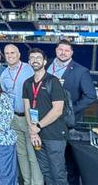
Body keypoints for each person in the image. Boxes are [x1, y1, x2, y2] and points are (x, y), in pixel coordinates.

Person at [48, 39, 96, 185]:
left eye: (66, 50)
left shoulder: (81, 71)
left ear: (72, 53)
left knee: (69, 164)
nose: (63, 53)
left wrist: (70, 111)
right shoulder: (47, 66)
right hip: (46, 122)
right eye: (60, 49)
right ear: (56, 50)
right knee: (48, 161)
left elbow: (90, 96)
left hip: (67, 124)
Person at [23, 48, 68, 185]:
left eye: (38, 57)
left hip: (54, 135)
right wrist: (33, 131)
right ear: (29, 62)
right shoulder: (27, 83)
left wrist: (38, 126)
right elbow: (27, 108)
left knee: (58, 173)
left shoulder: (53, 81)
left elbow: (58, 110)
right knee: (46, 172)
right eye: (32, 58)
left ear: (44, 61)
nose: (35, 60)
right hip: (37, 135)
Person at [1, 44, 42, 185]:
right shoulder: (4, 74)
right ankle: (26, 181)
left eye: (12, 52)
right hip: (14, 118)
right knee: (21, 154)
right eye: (7, 53)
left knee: (33, 155)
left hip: (29, 119)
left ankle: (36, 182)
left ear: (19, 54)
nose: (10, 55)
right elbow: (5, 97)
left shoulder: (29, 69)